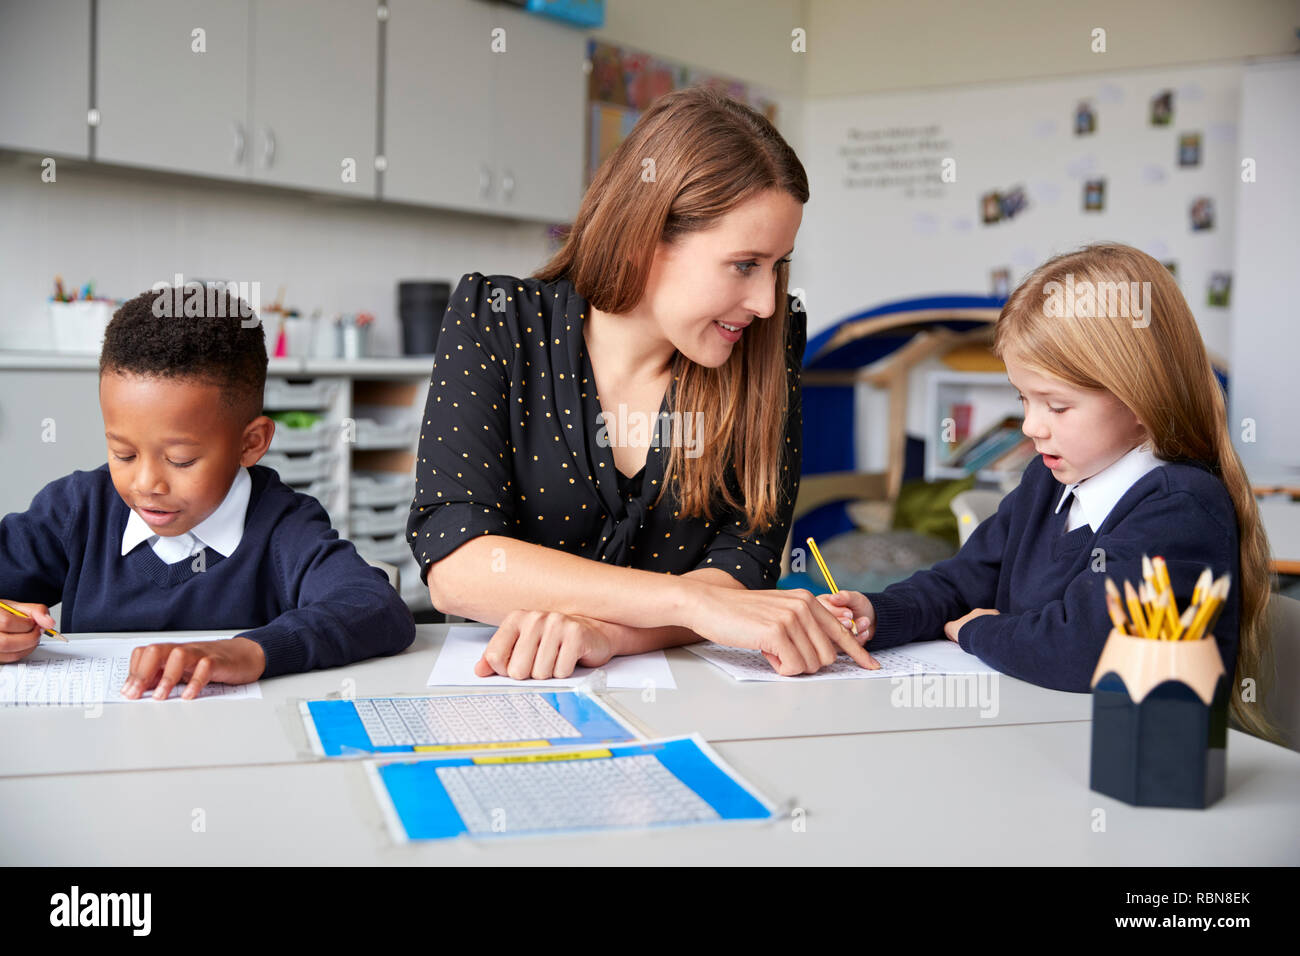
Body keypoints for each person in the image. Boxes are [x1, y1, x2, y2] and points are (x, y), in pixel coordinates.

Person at [408, 86, 874, 679]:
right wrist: (687, 600)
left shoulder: (771, 339)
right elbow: (459, 565)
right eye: (744, 264)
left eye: (779, 266)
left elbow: (745, 560)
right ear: (646, 239)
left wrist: (606, 636)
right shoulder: (496, 319)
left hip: (692, 692)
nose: (765, 301)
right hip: (503, 688)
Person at [822, 243, 1279, 742]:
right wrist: (879, 613)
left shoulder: (1179, 506)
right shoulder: (1049, 481)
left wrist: (975, 630)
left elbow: (1080, 647)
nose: (1032, 427)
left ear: (1143, 400)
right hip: (1037, 737)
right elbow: (962, 581)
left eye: (1057, 406)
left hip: (1126, 760)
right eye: (1024, 398)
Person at [0, 285, 415, 699]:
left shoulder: (282, 526)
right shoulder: (77, 510)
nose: (146, 484)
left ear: (250, 443)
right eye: (123, 453)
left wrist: (249, 651)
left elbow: (375, 607)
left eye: (180, 460)